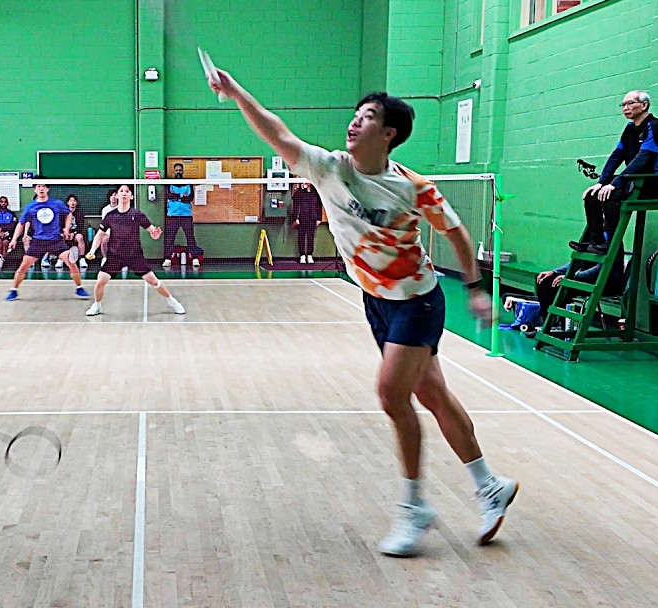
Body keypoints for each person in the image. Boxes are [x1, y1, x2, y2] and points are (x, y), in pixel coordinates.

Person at [211, 67, 516, 558]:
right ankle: (489, 484)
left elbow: (457, 233)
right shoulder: (331, 168)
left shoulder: (413, 189)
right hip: (376, 301)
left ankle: (415, 507)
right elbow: (277, 131)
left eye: (366, 118)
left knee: (392, 395)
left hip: (417, 301)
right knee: (433, 395)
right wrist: (235, 90)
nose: (353, 124)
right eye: (354, 116)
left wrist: (476, 289)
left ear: (388, 134)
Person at [571, 91, 658, 256]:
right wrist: (601, 182)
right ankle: (596, 241)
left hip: (649, 184)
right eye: (623, 105)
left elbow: (643, 160)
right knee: (592, 195)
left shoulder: (655, 125)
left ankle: (612, 242)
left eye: (630, 103)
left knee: (609, 195)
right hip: (632, 181)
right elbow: (616, 156)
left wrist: (615, 183)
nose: (625, 108)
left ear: (644, 105)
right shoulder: (630, 128)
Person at [83, 184, 185, 317]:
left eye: (127, 191)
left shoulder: (136, 214)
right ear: (117, 195)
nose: (124, 193)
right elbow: (100, 234)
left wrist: (154, 234)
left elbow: (151, 230)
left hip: (134, 256)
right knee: (100, 281)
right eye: (121, 191)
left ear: (131, 196)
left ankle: (172, 301)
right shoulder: (110, 216)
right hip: (115, 256)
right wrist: (92, 250)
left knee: (154, 281)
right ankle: (96, 305)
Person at [5, 184, 90, 302]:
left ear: (48, 189)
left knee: (71, 262)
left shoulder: (57, 203)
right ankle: (14, 290)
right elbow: (21, 223)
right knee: (23, 266)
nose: (41, 189)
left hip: (56, 240)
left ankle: (79, 288)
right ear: (34, 189)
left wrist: (66, 228)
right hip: (38, 242)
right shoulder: (30, 207)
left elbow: (68, 214)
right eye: (38, 186)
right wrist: (14, 239)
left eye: (44, 186)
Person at [163, 163, 200, 267]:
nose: (178, 172)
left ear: (183, 171)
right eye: (176, 170)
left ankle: (195, 258)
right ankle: (167, 258)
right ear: (174, 171)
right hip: (172, 215)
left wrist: (177, 197)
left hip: (186, 215)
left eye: (180, 170)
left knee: (190, 237)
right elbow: (168, 195)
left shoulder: (188, 184)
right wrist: (181, 196)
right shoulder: (169, 183)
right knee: (170, 237)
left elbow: (190, 198)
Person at [291, 181, 323, 264]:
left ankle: (309, 255)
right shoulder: (300, 192)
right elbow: (295, 201)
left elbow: (319, 205)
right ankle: (302, 255)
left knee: (311, 237)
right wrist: (296, 218)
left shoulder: (315, 192)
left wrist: (319, 218)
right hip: (302, 218)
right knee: (301, 237)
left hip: (312, 218)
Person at [59, 194, 89, 270]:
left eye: (74, 201)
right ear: (68, 203)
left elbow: (81, 227)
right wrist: (65, 232)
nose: (72, 203)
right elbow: (59, 226)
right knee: (60, 237)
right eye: (71, 201)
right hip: (65, 233)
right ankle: (60, 259)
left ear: (76, 203)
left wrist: (74, 233)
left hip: (75, 233)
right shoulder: (63, 213)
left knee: (80, 237)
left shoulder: (79, 213)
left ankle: (82, 259)